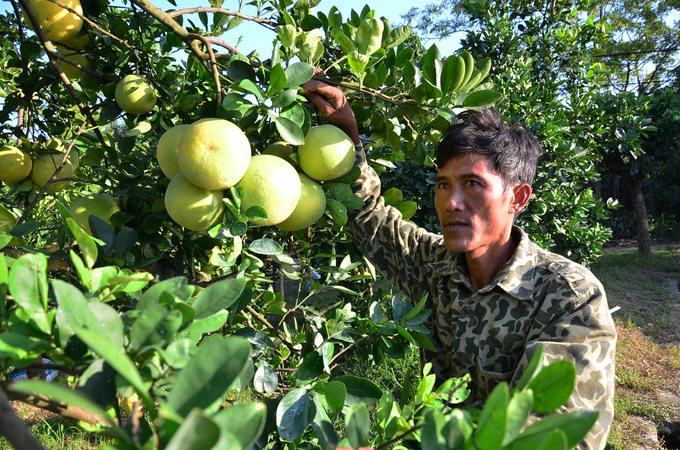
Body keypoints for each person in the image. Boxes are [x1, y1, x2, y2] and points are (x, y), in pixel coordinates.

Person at [302, 76, 616, 450]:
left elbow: (551, 437)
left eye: (472, 184)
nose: (451, 202)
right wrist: (347, 139)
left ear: (518, 197)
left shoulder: (568, 296)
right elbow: (369, 219)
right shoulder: (436, 266)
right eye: (443, 185)